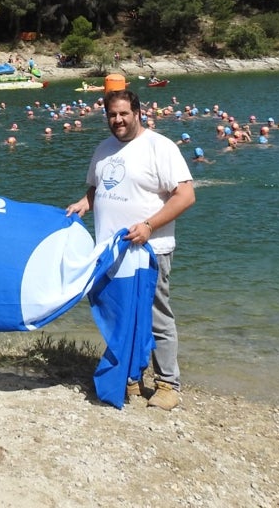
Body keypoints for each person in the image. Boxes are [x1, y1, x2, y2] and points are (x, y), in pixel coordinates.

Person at [65, 89, 195, 411]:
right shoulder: (104, 149)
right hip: (111, 253)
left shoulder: (159, 147)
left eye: (123, 113)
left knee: (156, 316)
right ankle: (132, 377)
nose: (118, 120)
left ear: (138, 112)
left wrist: (149, 226)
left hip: (149, 249)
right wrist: (85, 202)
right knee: (119, 314)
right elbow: (98, 188)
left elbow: (186, 196)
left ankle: (168, 384)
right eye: (112, 115)